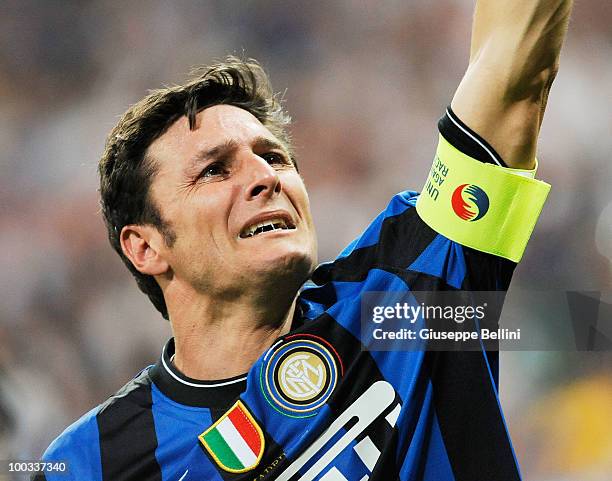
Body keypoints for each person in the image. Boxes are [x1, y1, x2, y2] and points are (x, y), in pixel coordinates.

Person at [34, 1, 572, 480]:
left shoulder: (404, 295)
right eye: (215, 171)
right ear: (146, 247)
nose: (267, 178)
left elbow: (512, 72)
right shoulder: (90, 464)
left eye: (274, 157)